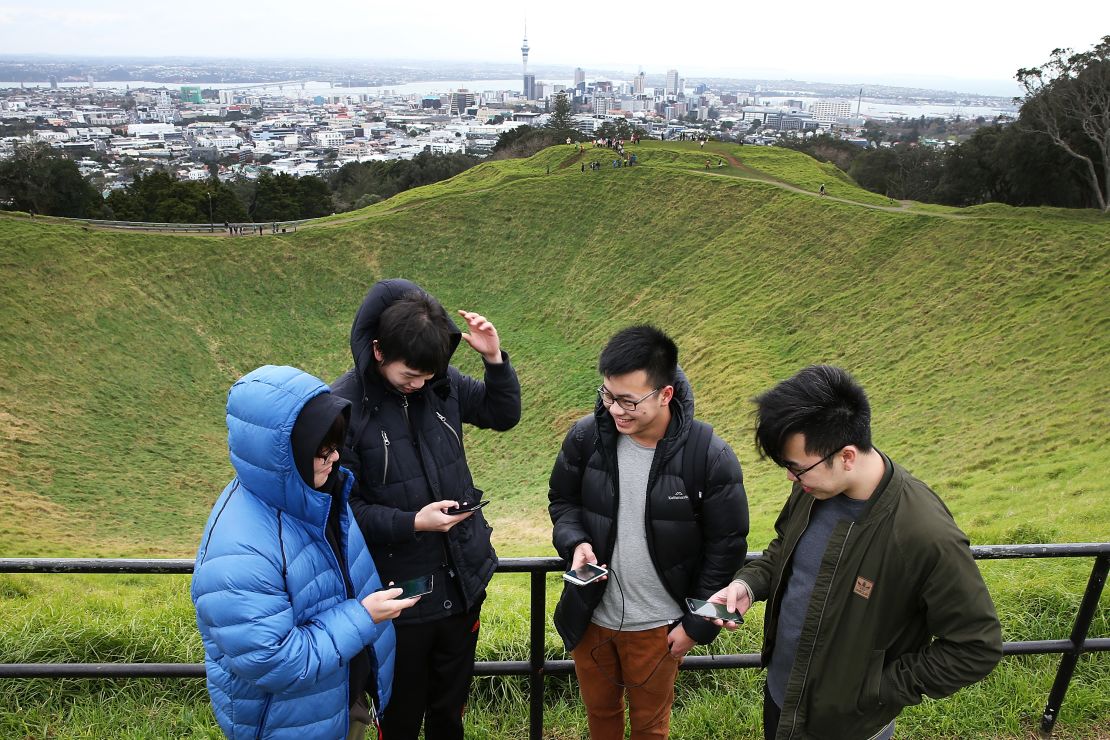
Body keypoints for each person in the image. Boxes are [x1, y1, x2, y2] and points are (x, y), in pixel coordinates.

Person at [710, 365, 1002, 740]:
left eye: (796, 468)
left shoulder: (924, 533)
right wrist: (747, 585)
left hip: (851, 725)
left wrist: (874, 691)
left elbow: (977, 646)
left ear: (846, 456)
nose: (790, 479)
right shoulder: (814, 487)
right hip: (782, 699)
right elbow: (784, 548)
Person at [332, 278, 522, 739]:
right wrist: (413, 522)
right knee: (398, 718)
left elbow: (503, 415)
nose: (419, 386)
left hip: (461, 583)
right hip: (397, 598)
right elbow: (342, 510)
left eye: (427, 376)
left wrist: (494, 358)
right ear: (378, 352)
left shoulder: (441, 381)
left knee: (449, 713)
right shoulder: (343, 407)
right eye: (409, 377)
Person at [192, 365, 417, 740]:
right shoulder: (240, 550)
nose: (334, 459)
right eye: (321, 451)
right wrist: (363, 616)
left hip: (336, 701)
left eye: (336, 446)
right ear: (280, 453)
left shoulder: (319, 493)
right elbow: (274, 661)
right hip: (289, 724)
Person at [549, 325, 748, 739]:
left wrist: (696, 627)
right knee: (600, 719)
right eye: (607, 395)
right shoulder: (588, 437)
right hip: (592, 618)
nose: (615, 410)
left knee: (650, 728)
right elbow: (563, 502)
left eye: (628, 400)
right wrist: (576, 542)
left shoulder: (709, 456)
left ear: (665, 394)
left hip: (660, 629)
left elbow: (725, 548)